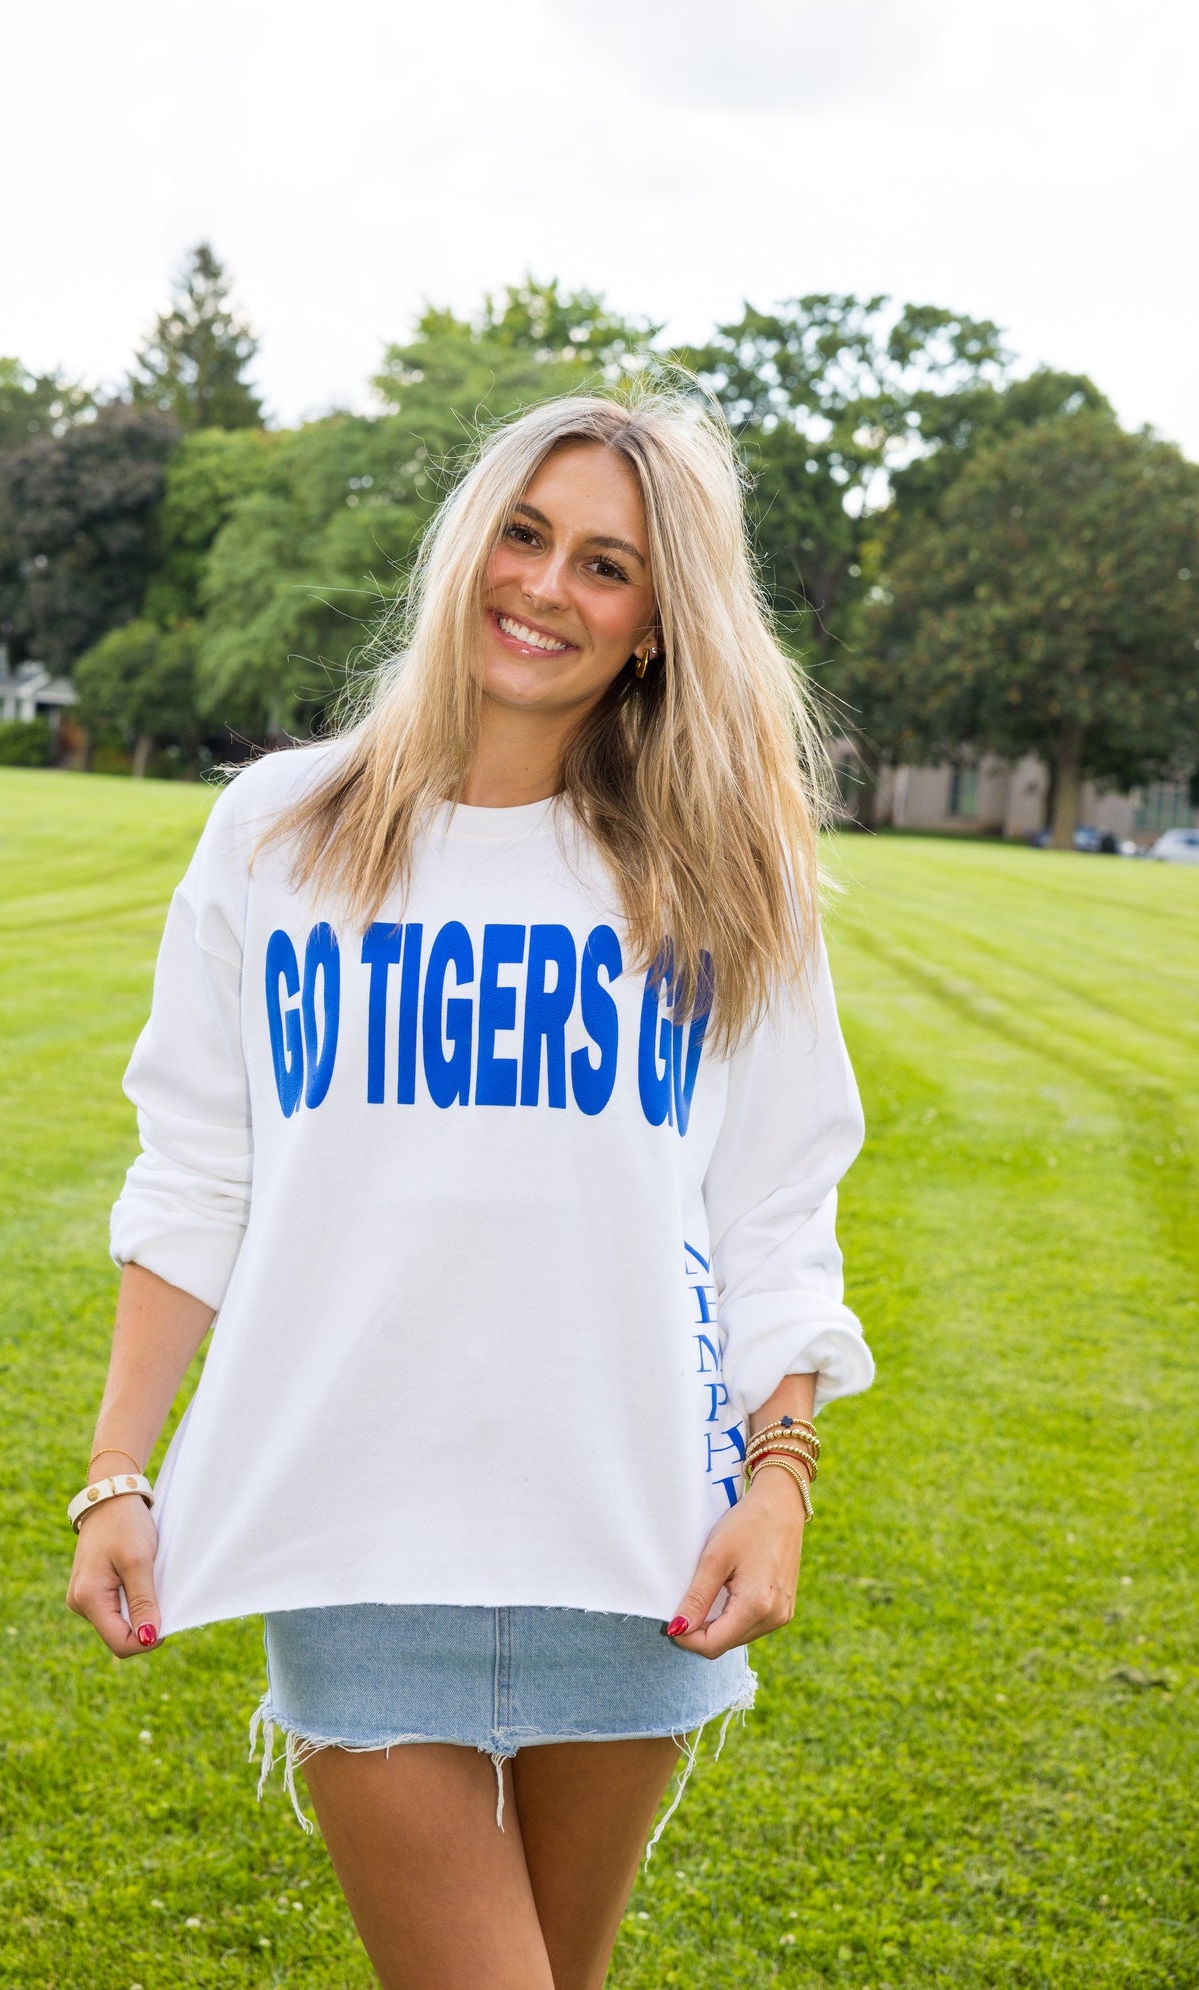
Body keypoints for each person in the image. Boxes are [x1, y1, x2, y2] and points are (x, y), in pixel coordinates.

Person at [66, 386, 873, 1990]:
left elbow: (775, 1205)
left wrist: (775, 1475)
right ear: (465, 550)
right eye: (522, 534)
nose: (542, 587)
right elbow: (197, 1168)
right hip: (352, 1526)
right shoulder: (278, 833)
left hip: (637, 1541)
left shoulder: (719, 868)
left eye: (604, 566)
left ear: (654, 623)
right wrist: (114, 1467)